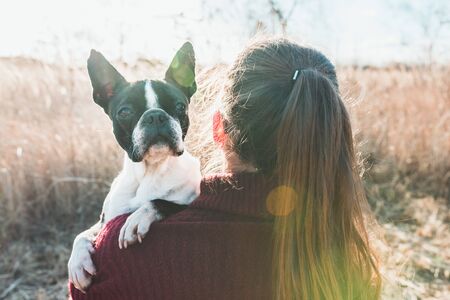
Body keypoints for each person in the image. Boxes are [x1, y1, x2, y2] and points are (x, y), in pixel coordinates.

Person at [69, 37, 381, 300]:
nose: (154, 121)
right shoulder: (345, 249)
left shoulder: (114, 255)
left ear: (218, 127)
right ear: (329, 131)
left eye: (174, 109)